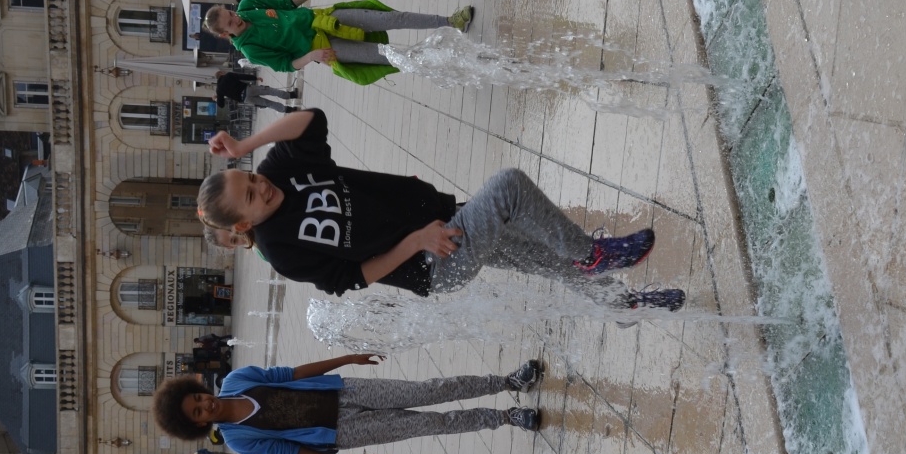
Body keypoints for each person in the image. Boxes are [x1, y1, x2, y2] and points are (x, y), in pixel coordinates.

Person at [196, 108, 686, 312]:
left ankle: (622, 304)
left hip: (445, 217)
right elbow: (351, 279)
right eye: (251, 196)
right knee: (509, 188)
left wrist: (246, 144)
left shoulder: (280, 169)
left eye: (250, 177)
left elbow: (311, 119)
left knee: (544, 261)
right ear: (243, 224)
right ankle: (592, 255)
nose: (261, 187)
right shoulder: (282, 250)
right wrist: (416, 242)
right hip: (433, 260)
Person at [150, 354, 546, 454]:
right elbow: (293, 453)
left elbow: (291, 373)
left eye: (198, 398)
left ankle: (508, 382)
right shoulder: (240, 440)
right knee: (431, 424)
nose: (205, 405)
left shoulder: (238, 380)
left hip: (345, 390)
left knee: (429, 390)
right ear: (198, 425)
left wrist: (346, 358)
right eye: (198, 412)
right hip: (344, 432)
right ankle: (506, 418)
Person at [200, 0, 472, 86]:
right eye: (230, 23)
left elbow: (286, 4)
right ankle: (448, 61)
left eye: (231, 13)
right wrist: (312, 56)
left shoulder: (248, 5)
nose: (236, 18)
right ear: (226, 34)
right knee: (388, 56)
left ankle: (451, 21)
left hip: (324, 19)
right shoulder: (250, 49)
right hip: (324, 48)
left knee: (391, 18)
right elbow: (286, 65)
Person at [217, 68, 300, 114]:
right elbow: (242, 76)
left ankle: (289, 110)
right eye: (223, 72)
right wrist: (255, 78)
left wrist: (221, 96)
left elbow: (221, 105)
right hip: (248, 89)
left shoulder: (219, 90)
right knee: (270, 91)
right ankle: (291, 95)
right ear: (221, 73)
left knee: (268, 103)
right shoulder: (228, 76)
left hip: (245, 99)